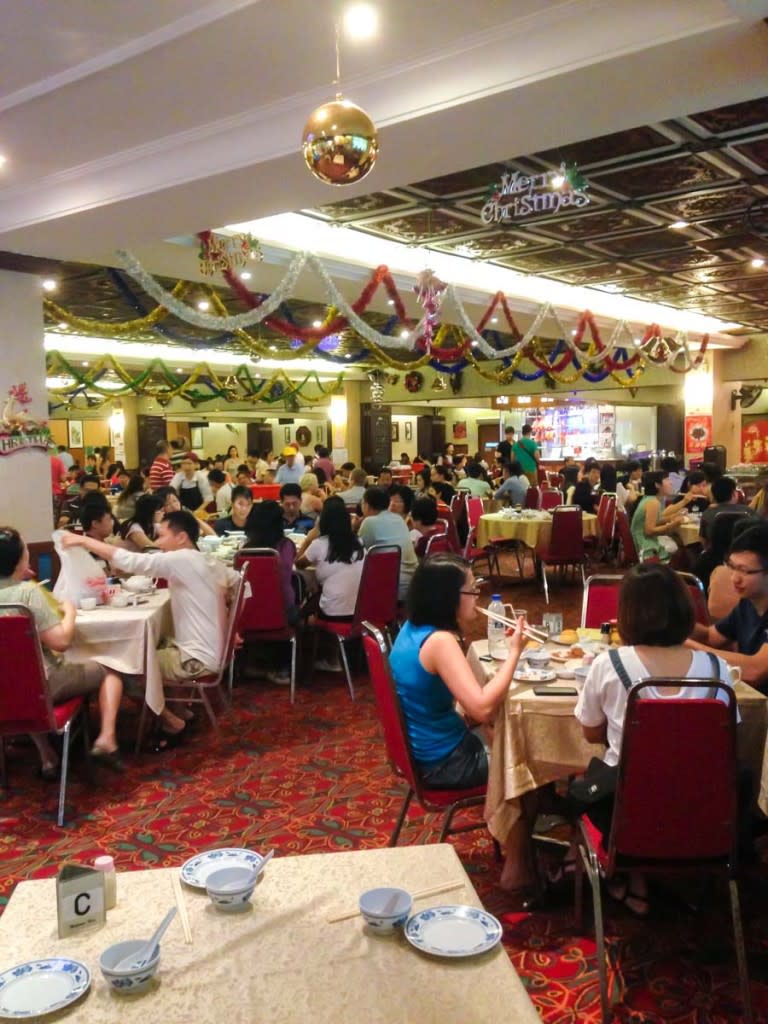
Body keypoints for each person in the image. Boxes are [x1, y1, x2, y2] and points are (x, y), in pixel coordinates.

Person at [574, 563, 734, 915]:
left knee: (584, 781)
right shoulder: (717, 669)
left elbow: (590, 733)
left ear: (627, 613)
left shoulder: (610, 663)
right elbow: (726, 739)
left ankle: (621, 878)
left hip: (625, 813)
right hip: (704, 813)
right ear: (684, 610)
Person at [389, 555, 532, 890]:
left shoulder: (411, 629)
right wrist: (514, 653)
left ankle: (522, 843)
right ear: (448, 597)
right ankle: (520, 864)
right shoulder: (440, 642)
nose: (477, 597)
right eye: (472, 590)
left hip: (426, 751)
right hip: (446, 762)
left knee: (505, 734)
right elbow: (481, 708)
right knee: (527, 766)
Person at [62, 510, 240, 741]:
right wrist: (233, 628)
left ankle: (170, 722)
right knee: (155, 643)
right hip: (213, 652)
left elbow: (132, 560)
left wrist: (83, 540)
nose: (157, 542)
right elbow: (241, 584)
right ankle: (180, 711)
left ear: (181, 537)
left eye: (162, 535)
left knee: (123, 663)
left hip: (195, 659)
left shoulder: (181, 559)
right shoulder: (206, 558)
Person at [0, 526, 125, 774]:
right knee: (114, 665)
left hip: (5, 691)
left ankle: (47, 755)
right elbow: (60, 642)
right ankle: (106, 738)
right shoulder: (27, 594)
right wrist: (70, 612)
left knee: (15, 676)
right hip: (43, 687)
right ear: (19, 558)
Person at [687, 524, 768, 690]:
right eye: (731, 567)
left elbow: (755, 670)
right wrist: (670, 628)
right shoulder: (748, 602)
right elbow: (711, 637)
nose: (734, 578)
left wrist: (684, 645)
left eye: (744, 571)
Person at [297, 497, 364, 626]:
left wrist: (308, 539)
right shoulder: (358, 542)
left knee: (303, 609)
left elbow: (298, 563)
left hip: (332, 612)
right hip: (360, 610)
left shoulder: (319, 544)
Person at [358, 487, 418, 600]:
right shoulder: (398, 518)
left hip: (390, 587)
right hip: (413, 583)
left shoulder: (369, 522)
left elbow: (358, 552)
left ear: (366, 505)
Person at [630, 470, 698, 564]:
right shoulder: (653, 502)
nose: (670, 482)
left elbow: (656, 521)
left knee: (679, 542)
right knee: (683, 547)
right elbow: (649, 531)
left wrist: (672, 518)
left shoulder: (650, 499)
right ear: (657, 485)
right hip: (646, 547)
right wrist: (673, 524)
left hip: (642, 542)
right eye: (666, 480)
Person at [698, 476, 753, 544]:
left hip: (716, 553)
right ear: (733, 494)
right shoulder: (747, 511)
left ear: (713, 495)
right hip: (742, 552)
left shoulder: (708, 513)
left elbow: (703, 539)